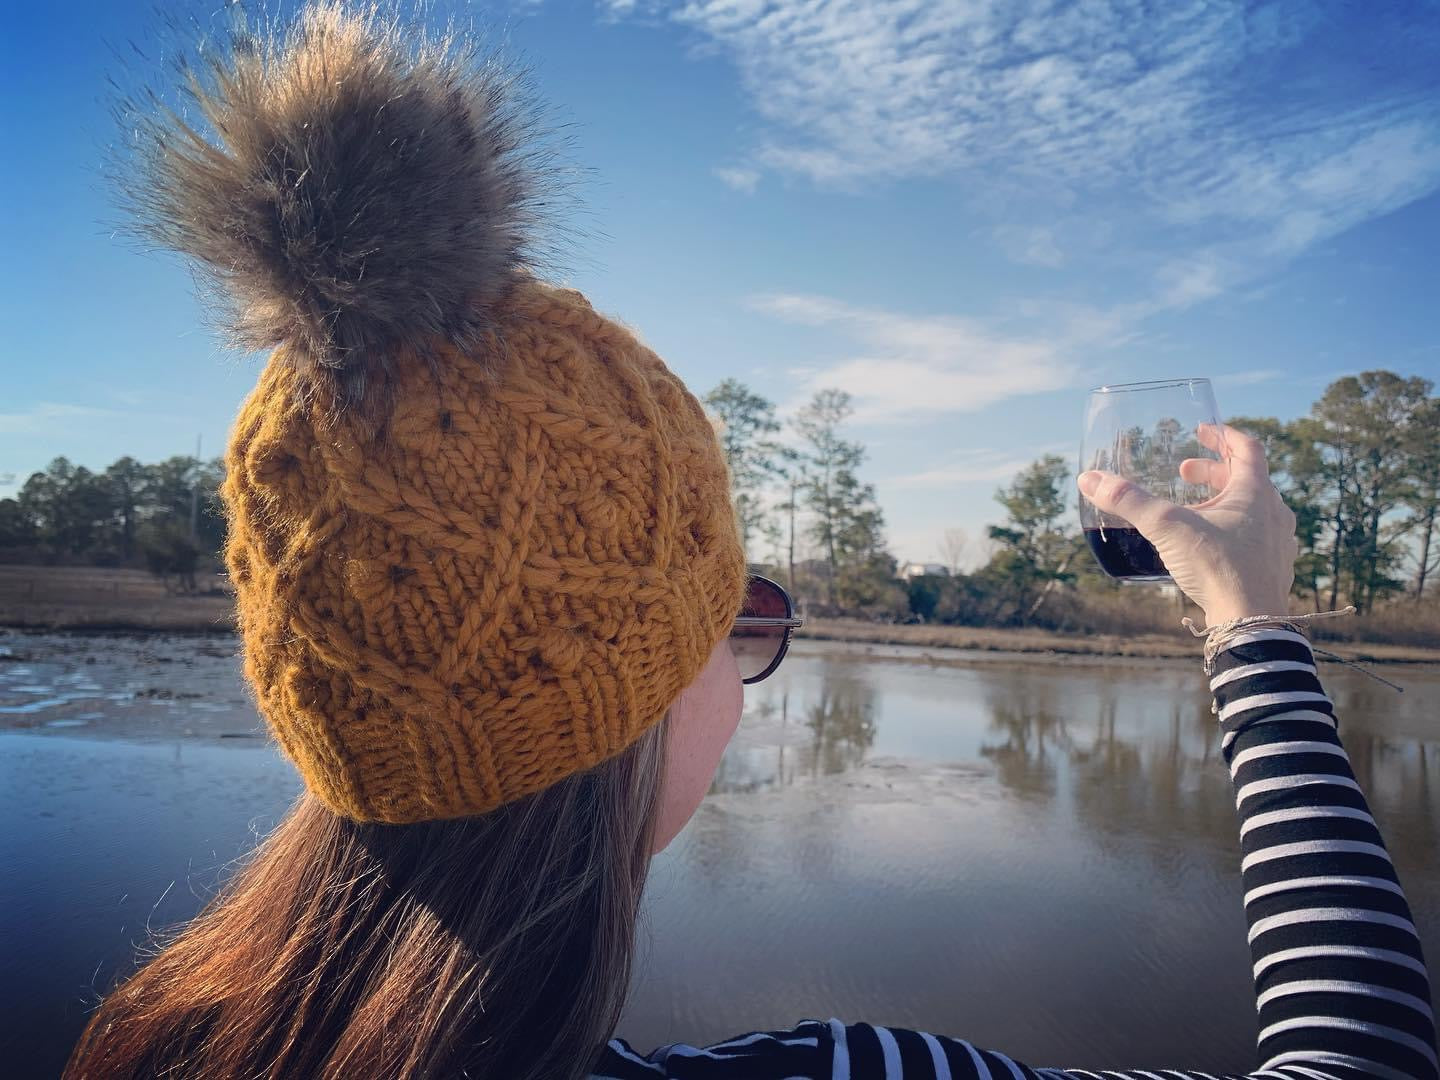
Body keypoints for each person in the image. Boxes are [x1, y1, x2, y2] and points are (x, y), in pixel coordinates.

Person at [67, 5, 1434, 1078]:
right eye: (740, 619)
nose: (750, 659)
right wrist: (1255, 629)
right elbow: (1358, 1058)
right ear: (640, 695)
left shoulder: (145, 1037)